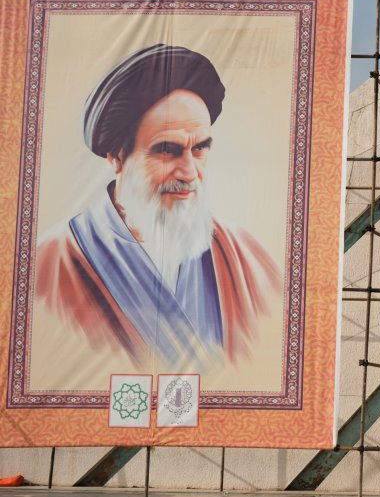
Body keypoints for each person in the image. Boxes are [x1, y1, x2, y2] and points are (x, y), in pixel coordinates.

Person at [34, 44, 282, 369]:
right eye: (168, 150)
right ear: (117, 156)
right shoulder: (48, 265)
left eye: (200, 149)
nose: (190, 172)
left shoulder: (246, 257)